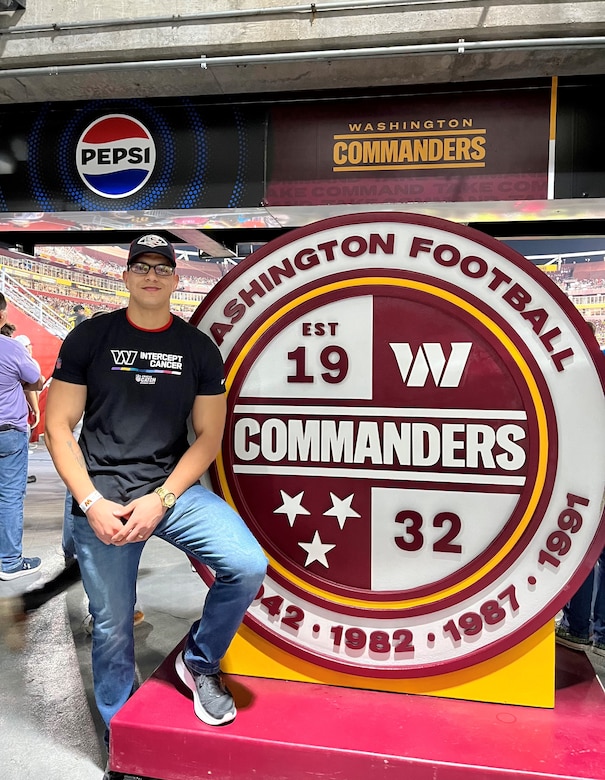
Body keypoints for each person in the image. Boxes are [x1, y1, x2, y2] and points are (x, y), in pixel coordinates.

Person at [44, 234, 267, 780]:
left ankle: (200, 662)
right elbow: (57, 426)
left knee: (246, 565)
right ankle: (124, 737)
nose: (151, 275)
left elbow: (208, 436)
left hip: (172, 492)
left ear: (174, 279)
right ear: (125, 276)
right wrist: (90, 501)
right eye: (140, 266)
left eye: (161, 268)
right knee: (113, 625)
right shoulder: (91, 337)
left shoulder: (197, 348)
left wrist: (163, 497)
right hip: (103, 499)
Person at [0, 293, 45, 579]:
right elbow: (36, 380)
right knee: (9, 497)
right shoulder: (11, 349)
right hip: (8, 433)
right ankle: (9, 562)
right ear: (2, 316)